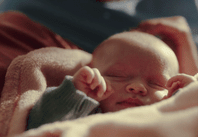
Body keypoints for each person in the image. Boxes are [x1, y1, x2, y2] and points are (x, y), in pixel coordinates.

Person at [27, 31, 198, 130]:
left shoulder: (165, 116)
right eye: (117, 76)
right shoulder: (84, 113)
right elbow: (40, 126)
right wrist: (75, 94)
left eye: (157, 83)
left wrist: (189, 99)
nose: (137, 87)